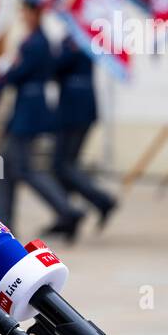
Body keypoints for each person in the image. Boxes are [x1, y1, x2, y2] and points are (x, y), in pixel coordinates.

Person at [0, 0, 82, 238]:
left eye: (26, 12)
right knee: (5, 166)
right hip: (26, 109)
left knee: (21, 168)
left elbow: (17, 74)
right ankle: (4, 221)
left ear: (35, 14)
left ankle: (66, 210)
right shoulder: (35, 40)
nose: (23, 16)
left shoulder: (35, 42)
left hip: (30, 111)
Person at [50, 35, 116, 230]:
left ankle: (102, 200)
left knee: (62, 165)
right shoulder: (78, 35)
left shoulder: (76, 37)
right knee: (64, 166)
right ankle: (66, 216)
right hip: (77, 109)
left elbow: (58, 65)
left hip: (74, 111)